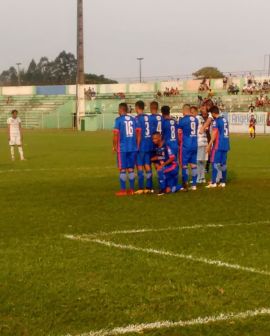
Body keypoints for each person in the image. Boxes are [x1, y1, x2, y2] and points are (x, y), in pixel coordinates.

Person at [113, 103, 138, 196]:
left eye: (118, 109)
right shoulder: (133, 119)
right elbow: (137, 132)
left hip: (122, 148)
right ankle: (131, 190)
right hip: (133, 147)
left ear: (121, 110)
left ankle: (123, 190)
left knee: (122, 169)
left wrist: (114, 146)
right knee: (131, 169)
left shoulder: (118, 120)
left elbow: (115, 134)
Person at [206, 106, 230, 188]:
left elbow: (214, 134)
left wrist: (209, 145)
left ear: (213, 113)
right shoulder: (225, 119)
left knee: (214, 163)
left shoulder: (216, 121)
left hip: (218, 145)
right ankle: (223, 182)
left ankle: (213, 182)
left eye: (211, 114)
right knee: (223, 163)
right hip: (226, 144)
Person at [134, 101, 153, 194]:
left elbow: (137, 133)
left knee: (140, 167)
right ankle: (149, 187)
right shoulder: (149, 118)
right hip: (149, 145)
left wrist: (136, 145)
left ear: (137, 107)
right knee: (148, 166)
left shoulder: (137, 119)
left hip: (141, 145)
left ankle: (141, 187)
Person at [178, 104, 199, 191]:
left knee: (184, 165)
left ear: (184, 111)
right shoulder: (196, 120)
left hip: (186, 145)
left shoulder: (182, 120)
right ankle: (194, 185)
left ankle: (185, 184)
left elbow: (179, 133)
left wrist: (179, 143)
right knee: (193, 164)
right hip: (195, 144)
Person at [191, 106, 208, 183]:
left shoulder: (196, 119)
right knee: (201, 161)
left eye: (191, 112)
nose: (191, 114)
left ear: (195, 112)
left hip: (199, 141)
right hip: (204, 141)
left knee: (197, 160)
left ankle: (198, 178)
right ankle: (202, 178)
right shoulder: (201, 118)